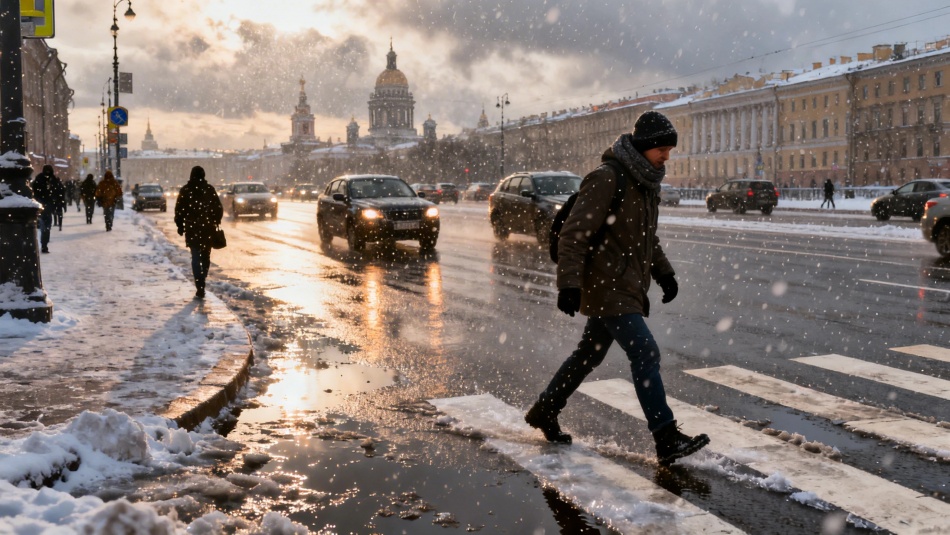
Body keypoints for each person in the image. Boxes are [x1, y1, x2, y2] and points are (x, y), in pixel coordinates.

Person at [524, 110, 710, 467]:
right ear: (643, 146)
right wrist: (569, 284)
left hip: (625, 284)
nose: (667, 156)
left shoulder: (645, 183)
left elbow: (646, 238)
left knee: (588, 355)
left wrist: (664, 273)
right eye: (662, 149)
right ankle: (666, 436)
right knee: (645, 352)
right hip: (607, 285)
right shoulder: (608, 177)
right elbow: (574, 233)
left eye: (670, 150)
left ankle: (545, 409)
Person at [174, 166, 222, 299]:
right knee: (205, 256)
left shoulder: (186, 190)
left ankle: (199, 284)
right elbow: (218, 207)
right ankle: (203, 278)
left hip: (192, 227)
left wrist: (180, 225)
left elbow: (179, 209)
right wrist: (215, 220)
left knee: (195, 257)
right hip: (207, 228)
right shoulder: (209, 189)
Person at [30, 165, 58, 253]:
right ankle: (44, 244)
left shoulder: (50, 180)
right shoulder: (44, 180)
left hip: (46, 206)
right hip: (43, 206)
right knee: (45, 226)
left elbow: (57, 192)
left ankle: (44, 244)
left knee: (46, 226)